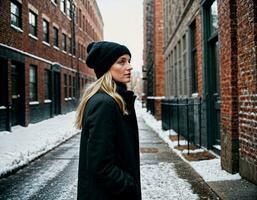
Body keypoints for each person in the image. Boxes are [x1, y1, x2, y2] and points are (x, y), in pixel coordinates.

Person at [75, 41, 141, 200]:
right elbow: (101, 165)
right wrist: (128, 185)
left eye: (129, 61)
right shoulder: (105, 104)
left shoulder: (114, 100)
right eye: (121, 62)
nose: (129, 67)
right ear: (106, 67)